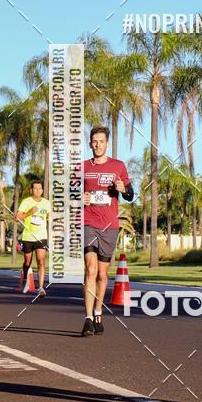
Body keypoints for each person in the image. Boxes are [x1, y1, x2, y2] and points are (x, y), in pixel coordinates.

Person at [81, 126, 134, 337]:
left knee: (103, 274)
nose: (97, 145)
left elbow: (130, 195)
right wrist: (79, 198)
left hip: (109, 225)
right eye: (94, 141)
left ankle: (97, 312)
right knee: (91, 270)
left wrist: (124, 190)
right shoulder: (82, 167)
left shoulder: (118, 166)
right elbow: (68, 194)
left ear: (106, 143)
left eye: (101, 141)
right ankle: (87, 320)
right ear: (90, 143)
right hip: (88, 222)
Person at [16, 180, 50, 297]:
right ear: (31, 190)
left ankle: (40, 288)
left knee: (41, 261)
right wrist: (29, 212)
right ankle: (25, 277)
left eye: (40, 189)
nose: (38, 191)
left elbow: (50, 217)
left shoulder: (46, 203)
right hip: (28, 236)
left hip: (41, 237)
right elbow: (17, 218)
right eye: (35, 189)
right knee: (27, 262)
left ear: (42, 190)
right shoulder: (26, 202)